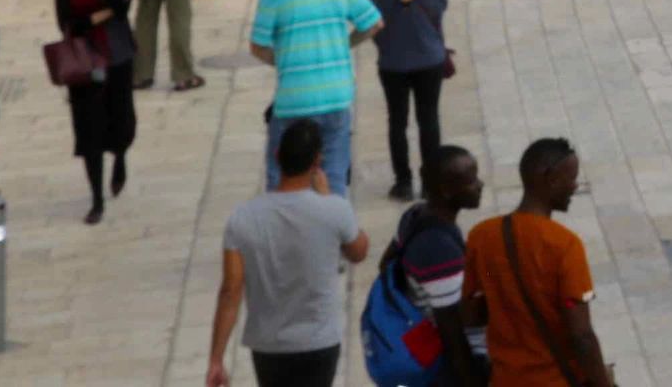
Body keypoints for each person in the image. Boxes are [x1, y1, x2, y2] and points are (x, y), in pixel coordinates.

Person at [207, 114, 369, 387]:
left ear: (278, 155)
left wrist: (216, 359)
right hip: (319, 341)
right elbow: (359, 251)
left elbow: (231, 290)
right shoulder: (333, 210)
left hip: (269, 346)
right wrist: (327, 196)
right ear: (317, 161)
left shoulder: (243, 218)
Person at [463, 138, 616, 387]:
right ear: (550, 179)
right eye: (571, 178)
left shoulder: (481, 237)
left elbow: (470, 315)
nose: (575, 186)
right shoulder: (564, 246)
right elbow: (582, 336)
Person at [252, 0, 384, 197]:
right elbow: (374, 23)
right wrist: (344, 45)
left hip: (293, 101)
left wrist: (284, 60)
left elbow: (258, 46)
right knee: (334, 174)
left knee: (280, 174)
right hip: (336, 96)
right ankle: (335, 229)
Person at [54, 0, 136, 224]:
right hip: (85, 59)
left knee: (123, 121)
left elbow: (124, 8)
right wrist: (104, 13)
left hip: (118, 55)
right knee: (90, 129)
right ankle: (97, 198)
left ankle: (120, 158)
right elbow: (67, 22)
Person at [388, 145, 487, 386]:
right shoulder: (439, 250)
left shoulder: (414, 215)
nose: (480, 185)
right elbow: (451, 330)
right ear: (446, 190)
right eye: (471, 181)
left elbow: (386, 264)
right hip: (451, 367)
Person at [369, 0, 451, 203]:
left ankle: (403, 182)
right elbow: (440, 8)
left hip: (393, 62)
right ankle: (430, 182)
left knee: (397, 121)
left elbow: (373, 20)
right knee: (428, 119)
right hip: (429, 58)